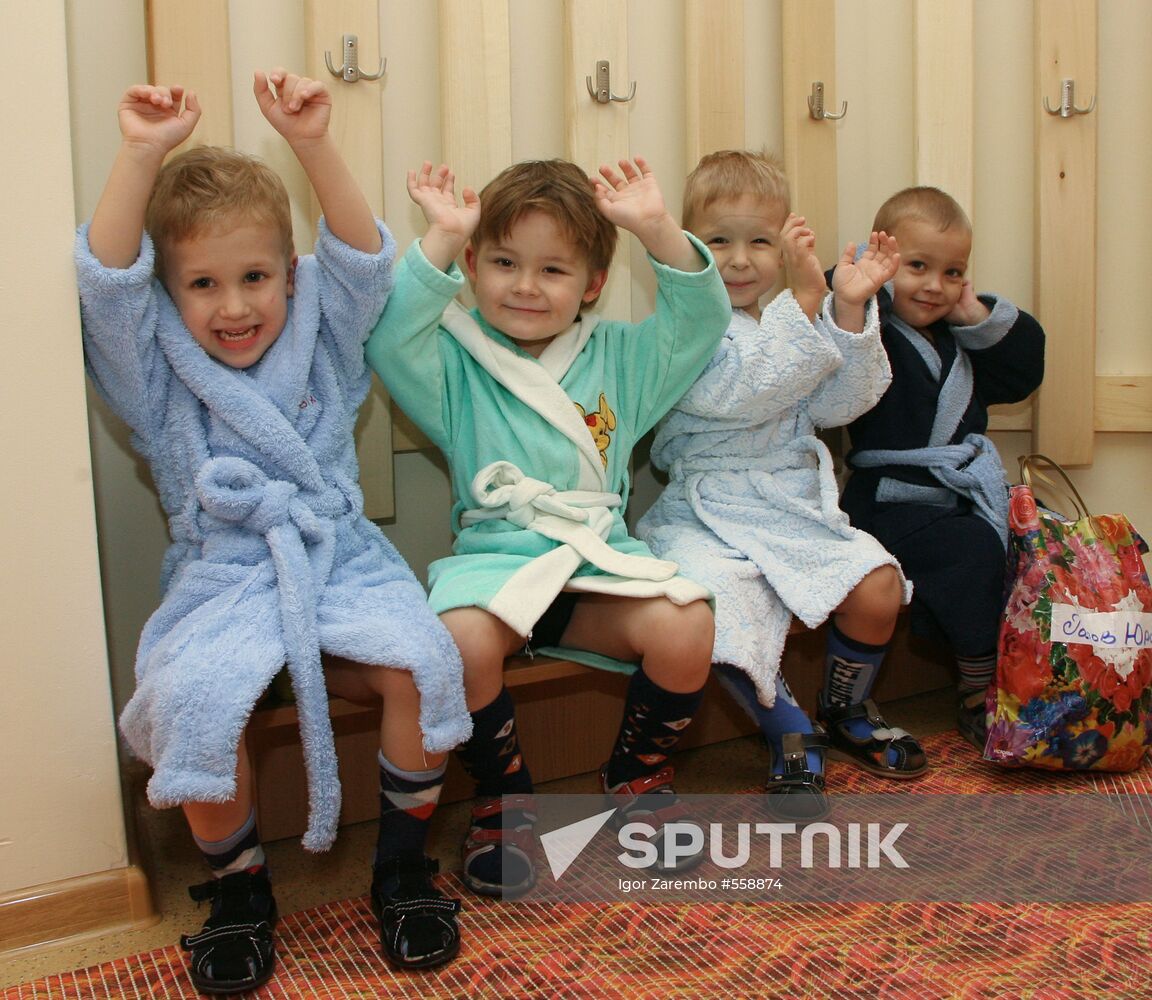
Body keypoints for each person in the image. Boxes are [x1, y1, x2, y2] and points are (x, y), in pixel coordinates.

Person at [76, 72, 471, 990]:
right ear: (168, 296)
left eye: (255, 276)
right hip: (222, 571)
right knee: (192, 698)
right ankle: (241, 893)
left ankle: (404, 873)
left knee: (423, 661)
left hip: (340, 555)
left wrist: (312, 144)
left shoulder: (323, 337)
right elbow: (104, 287)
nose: (235, 307)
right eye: (203, 285)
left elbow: (365, 258)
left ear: (289, 274)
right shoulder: (160, 372)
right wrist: (141, 154)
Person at [365, 156, 731, 894]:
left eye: (554, 270)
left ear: (593, 283)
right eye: (503, 262)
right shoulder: (452, 359)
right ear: (472, 267)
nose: (525, 286)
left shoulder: (626, 359)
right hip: (496, 563)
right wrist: (438, 236)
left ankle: (635, 777)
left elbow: (703, 321)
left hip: (598, 563)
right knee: (459, 642)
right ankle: (506, 799)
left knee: (686, 624)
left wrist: (654, 227)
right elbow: (389, 334)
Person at [636, 150, 923, 820]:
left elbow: (838, 404)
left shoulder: (784, 323)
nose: (739, 259)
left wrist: (848, 309)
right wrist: (805, 301)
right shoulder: (681, 330)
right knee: (713, 609)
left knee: (878, 586)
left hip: (789, 501)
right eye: (718, 241)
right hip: (704, 510)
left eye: (760, 241)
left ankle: (845, 707)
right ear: (684, 246)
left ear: (784, 242)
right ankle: (788, 729)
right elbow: (742, 392)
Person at [834, 186, 1045, 749]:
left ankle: (1045, 673)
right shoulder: (868, 322)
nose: (934, 285)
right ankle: (978, 689)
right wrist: (862, 283)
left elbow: (1023, 372)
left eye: (952, 272)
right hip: (890, 497)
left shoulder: (960, 338)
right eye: (917, 266)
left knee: (1039, 540)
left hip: (956, 490)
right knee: (973, 550)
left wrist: (975, 312)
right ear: (882, 260)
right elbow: (833, 336)